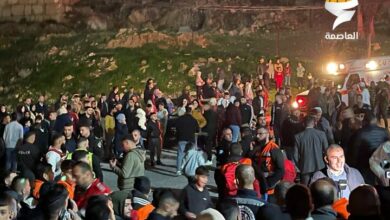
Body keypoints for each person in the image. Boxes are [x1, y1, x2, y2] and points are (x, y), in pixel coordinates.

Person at [347, 113, 389, 184]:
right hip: (382, 165)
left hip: (364, 167)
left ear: (364, 121)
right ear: (376, 121)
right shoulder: (384, 132)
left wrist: (351, 167)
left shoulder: (359, 133)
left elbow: (353, 153)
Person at [294, 116, 328, 185]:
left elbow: (295, 155)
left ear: (303, 124)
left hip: (305, 167)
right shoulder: (322, 134)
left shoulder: (298, 136)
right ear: (315, 123)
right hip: (320, 166)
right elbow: (327, 150)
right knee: (319, 188)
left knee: (306, 189)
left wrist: (300, 165)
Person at [252, 126, 285, 194]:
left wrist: (269, 184)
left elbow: (281, 170)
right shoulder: (257, 148)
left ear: (267, 134)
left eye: (260, 134)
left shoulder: (274, 148)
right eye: (256, 134)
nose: (257, 136)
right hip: (259, 184)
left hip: (270, 187)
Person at [175, 107, 199, 175]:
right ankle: (189, 169)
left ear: (185, 111)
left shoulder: (180, 119)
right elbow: (197, 129)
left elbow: (176, 127)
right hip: (191, 139)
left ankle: (178, 170)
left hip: (181, 138)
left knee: (180, 154)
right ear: (191, 112)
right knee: (190, 154)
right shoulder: (193, 120)